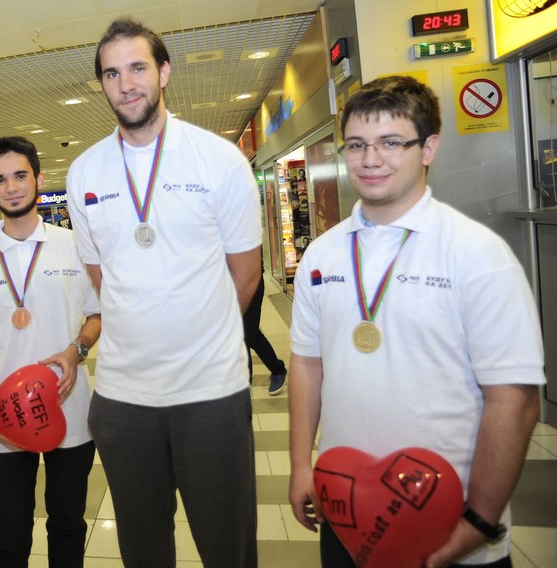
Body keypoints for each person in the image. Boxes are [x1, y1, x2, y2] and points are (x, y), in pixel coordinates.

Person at [287, 76, 544, 568]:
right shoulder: (322, 253)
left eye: (391, 143)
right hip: (348, 509)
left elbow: (514, 398)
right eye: (357, 144)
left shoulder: (476, 254)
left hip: (447, 520)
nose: (370, 159)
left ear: (428, 148)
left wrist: (481, 522)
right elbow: (307, 364)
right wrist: (302, 466)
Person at [66, 18, 261, 567]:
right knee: (143, 548)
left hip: (211, 392)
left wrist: (199, 331)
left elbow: (245, 275)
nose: (125, 83)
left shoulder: (217, 160)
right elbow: (102, 277)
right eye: (111, 73)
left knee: (228, 546)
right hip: (125, 398)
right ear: (101, 85)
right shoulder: (85, 173)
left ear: (164, 72)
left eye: (137, 68)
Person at [0, 136, 101, 567]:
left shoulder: (76, 245)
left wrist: (76, 350)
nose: (12, 187)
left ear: (38, 178)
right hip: (6, 415)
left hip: (69, 407)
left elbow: (98, 317)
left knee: (67, 524)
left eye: (20, 175)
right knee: (8, 530)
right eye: (0, 179)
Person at [243, 260, 287, 395]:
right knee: (239, 334)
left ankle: (278, 369)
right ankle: (245, 378)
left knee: (251, 333)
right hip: (232, 284)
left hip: (251, 283)